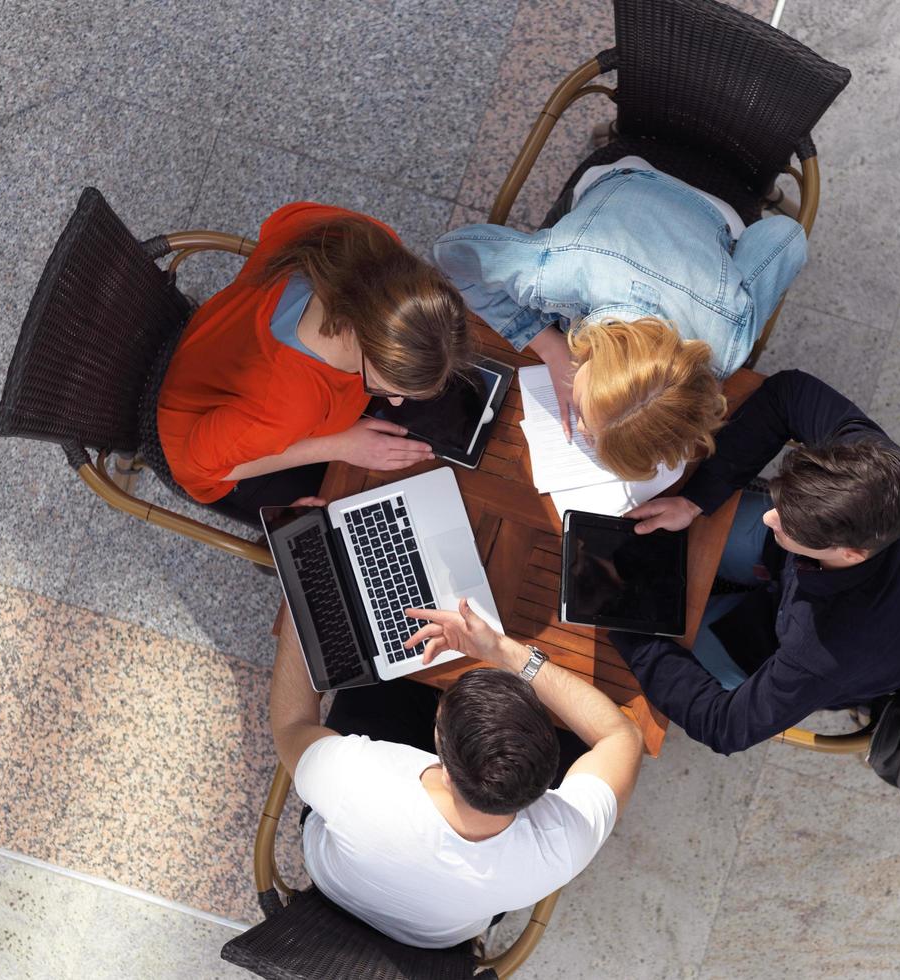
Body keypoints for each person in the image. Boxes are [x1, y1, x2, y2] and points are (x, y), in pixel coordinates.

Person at [609, 370, 900, 755]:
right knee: (654, 536)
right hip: (808, 578)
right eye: (781, 504)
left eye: (792, 526)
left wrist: (625, 626)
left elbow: (725, 726)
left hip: (787, 637)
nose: (770, 518)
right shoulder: (871, 468)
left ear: (850, 553)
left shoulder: (822, 653)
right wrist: (695, 501)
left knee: (640, 646)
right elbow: (788, 393)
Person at [269, 598, 643, 949]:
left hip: (343, 868)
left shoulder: (357, 778)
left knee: (394, 668)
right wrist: (506, 653)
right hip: (439, 933)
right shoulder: (561, 842)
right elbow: (621, 735)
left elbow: (291, 726)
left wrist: (300, 603)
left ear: (439, 754)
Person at [431, 158, 807, 480]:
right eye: (588, 426)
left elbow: (786, 233)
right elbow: (450, 253)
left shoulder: (723, 346)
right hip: (635, 183)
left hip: (684, 204)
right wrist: (548, 345)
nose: (578, 427)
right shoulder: (555, 272)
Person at [157, 202, 470, 522]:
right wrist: (338, 447)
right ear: (364, 340)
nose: (395, 399)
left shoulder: (367, 240)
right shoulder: (285, 404)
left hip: (216, 346)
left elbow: (282, 220)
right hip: (216, 451)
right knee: (346, 530)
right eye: (386, 385)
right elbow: (195, 466)